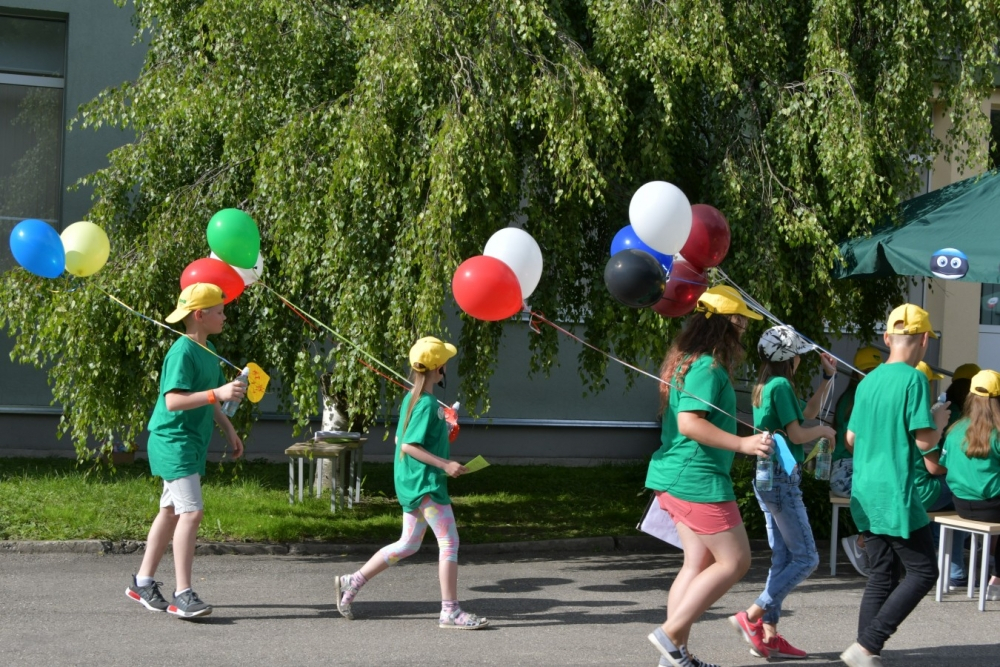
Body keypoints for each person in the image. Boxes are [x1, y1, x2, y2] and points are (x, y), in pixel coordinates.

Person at [645, 286, 773, 667]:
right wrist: (743, 444)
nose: (745, 331)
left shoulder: (687, 361)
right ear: (728, 323)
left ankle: (675, 655)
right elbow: (689, 424)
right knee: (736, 562)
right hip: (695, 478)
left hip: (678, 476)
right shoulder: (707, 367)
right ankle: (670, 636)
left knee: (697, 562)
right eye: (741, 322)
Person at [334, 337, 488, 629]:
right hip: (425, 483)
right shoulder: (427, 403)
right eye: (444, 365)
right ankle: (450, 611)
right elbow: (407, 445)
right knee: (449, 542)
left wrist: (444, 427)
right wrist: (446, 464)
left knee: (408, 543)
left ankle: (351, 582)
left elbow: (402, 438)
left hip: (412, 481)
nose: (445, 369)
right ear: (437, 369)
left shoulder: (414, 398)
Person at [125, 283, 246, 618]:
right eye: (219, 311)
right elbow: (174, 400)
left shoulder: (209, 350)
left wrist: (228, 427)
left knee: (171, 512)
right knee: (191, 513)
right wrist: (217, 393)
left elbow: (212, 398)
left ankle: (143, 582)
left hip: (189, 442)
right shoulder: (182, 352)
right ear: (200, 314)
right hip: (172, 442)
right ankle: (183, 594)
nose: (224, 316)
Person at [839, 304, 950, 667]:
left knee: (882, 575)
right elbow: (922, 442)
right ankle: (868, 644)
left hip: (865, 492)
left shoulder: (868, 380)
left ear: (887, 338)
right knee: (923, 572)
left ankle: (864, 652)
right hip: (896, 494)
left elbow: (852, 437)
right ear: (923, 341)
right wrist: (937, 421)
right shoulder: (915, 378)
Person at [730, 326, 836, 660]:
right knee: (807, 558)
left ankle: (770, 635)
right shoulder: (781, 386)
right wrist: (826, 432)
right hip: (782, 479)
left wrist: (827, 378)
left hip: (767, 478)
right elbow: (800, 431)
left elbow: (805, 414)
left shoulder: (767, 385)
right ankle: (751, 616)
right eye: (799, 355)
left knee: (783, 558)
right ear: (790, 358)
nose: (801, 359)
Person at [940, 369, 1000, 601]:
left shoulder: (955, 430)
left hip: (962, 504)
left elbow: (945, 464)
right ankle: (996, 577)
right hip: (992, 506)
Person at [912, 362, 966, 587]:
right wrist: (959, 468)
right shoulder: (928, 416)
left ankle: (954, 568)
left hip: (906, 488)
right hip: (923, 492)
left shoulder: (903, 411)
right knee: (964, 490)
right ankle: (955, 571)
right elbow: (934, 467)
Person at [835, 347, 882, 577]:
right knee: (883, 494)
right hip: (845, 469)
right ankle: (861, 543)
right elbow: (852, 443)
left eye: (876, 371)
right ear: (857, 373)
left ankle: (870, 547)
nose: (873, 376)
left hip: (848, 467)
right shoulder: (856, 399)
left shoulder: (856, 396)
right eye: (868, 371)